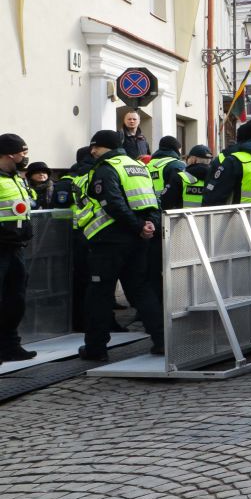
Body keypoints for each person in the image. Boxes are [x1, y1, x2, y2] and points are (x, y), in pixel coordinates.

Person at [78, 129, 162, 360]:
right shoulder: (140, 167)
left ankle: (96, 349)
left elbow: (112, 203)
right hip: (139, 240)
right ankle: (162, 340)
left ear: (105, 147)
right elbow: (153, 201)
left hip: (110, 240)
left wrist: (137, 226)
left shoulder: (106, 168)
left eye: (95, 146)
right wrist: (148, 226)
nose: (92, 151)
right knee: (141, 290)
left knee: (99, 294)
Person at [0, 135, 36, 361]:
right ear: (9, 154)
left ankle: (10, 345)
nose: (24, 156)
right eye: (22, 152)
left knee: (16, 299)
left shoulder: (17, 178)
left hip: (15, 247)